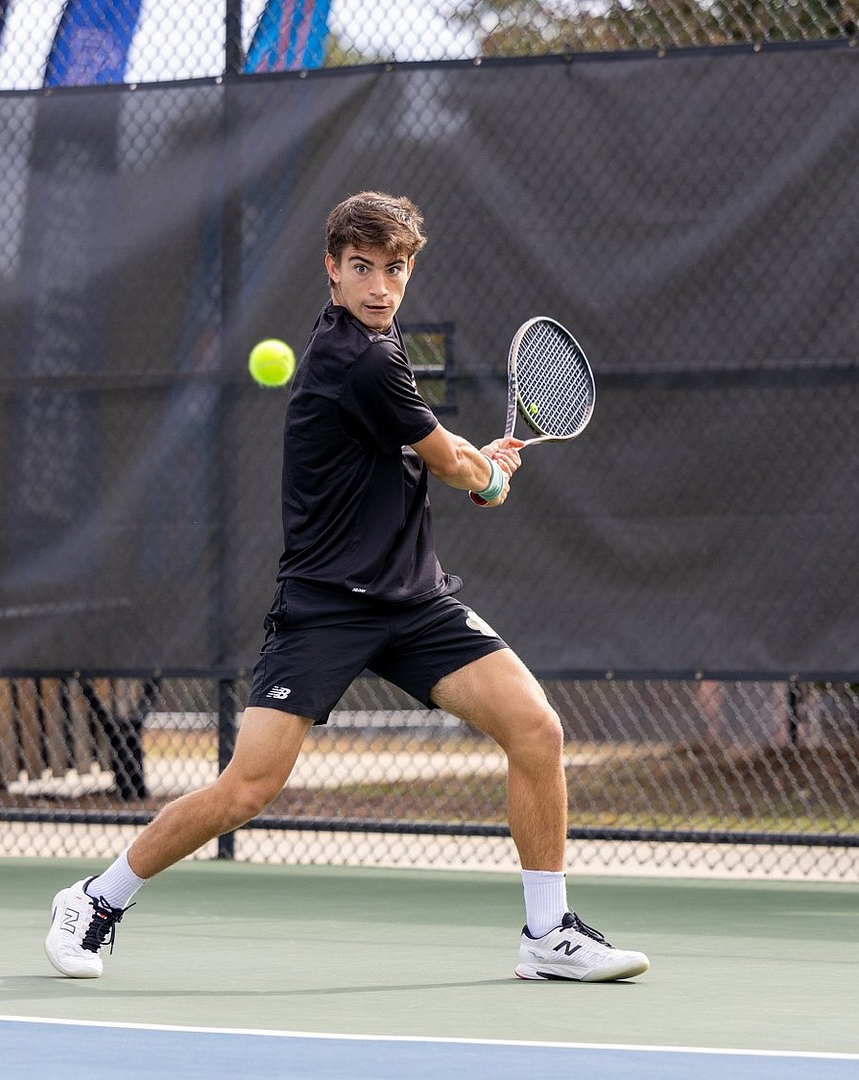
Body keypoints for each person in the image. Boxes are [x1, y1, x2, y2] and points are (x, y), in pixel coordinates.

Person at [44, 191, 649, 983]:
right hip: (326, 608)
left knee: (536, 729)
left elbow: (427, 438)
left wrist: (476, 461)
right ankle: (94, 899)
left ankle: (547, 932)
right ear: (332, 269)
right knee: (248, 788)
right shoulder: (353, 357)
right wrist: (489, 478)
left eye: (393, 269)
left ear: (407, 273)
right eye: (361, 267)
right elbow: (446, 459)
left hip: (413, 601)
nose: (378, 285)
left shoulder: (383, 351)